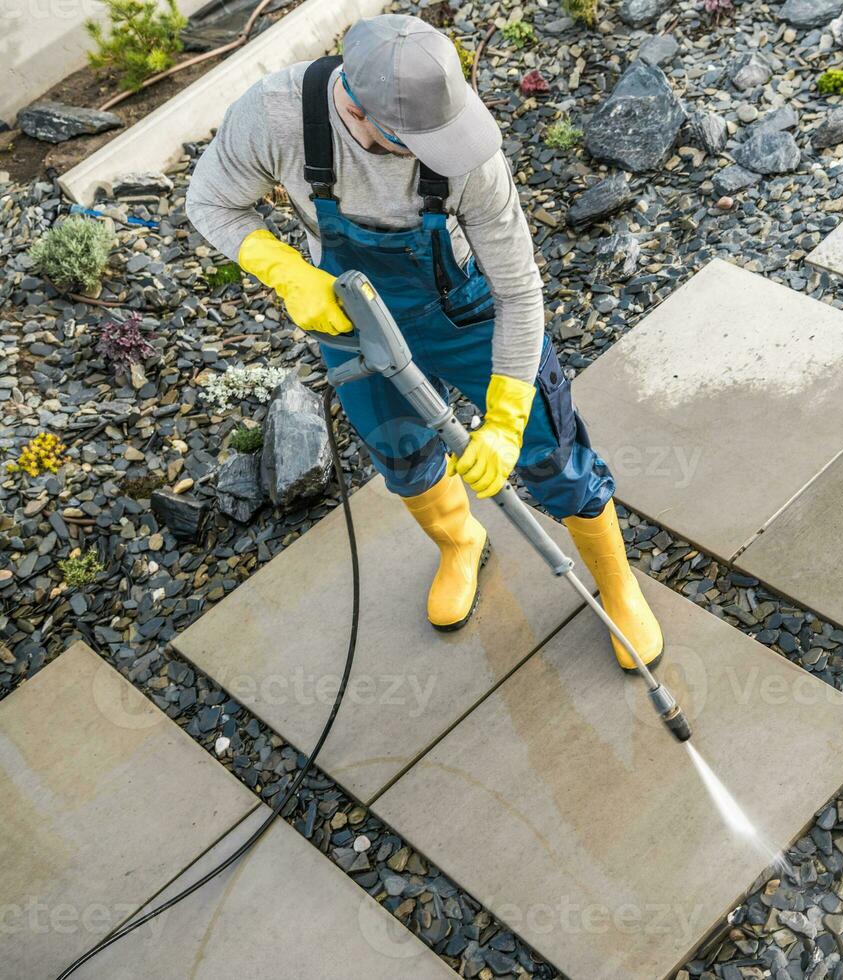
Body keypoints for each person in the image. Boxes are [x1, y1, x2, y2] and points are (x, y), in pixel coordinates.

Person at [185, 14, 661, 670]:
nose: (445, 152)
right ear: (355, 106)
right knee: (400, 452)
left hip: (464, 311)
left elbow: (521, 294)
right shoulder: (275, 115)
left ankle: (618, 584)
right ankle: (461, 543)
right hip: (352, 317)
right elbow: (209, 201)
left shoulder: (473, 160)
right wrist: (286, 272)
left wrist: (505, 418)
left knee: (550, 450)